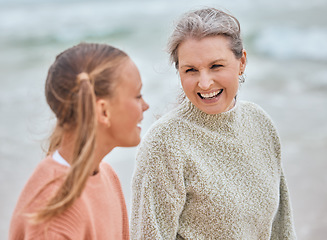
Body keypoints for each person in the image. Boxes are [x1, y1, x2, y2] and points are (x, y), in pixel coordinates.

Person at [131, 8, 296, 239]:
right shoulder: (164, 143)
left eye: (216, 66)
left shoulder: (260, 123)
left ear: (242, 62)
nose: (205, 83)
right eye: (191, 70)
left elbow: (282, 227)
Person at [9, 42, 149, 239]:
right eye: (137, 96)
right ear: (103, 111)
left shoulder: (106, 174)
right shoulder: (55, 216)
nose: (145, 105)